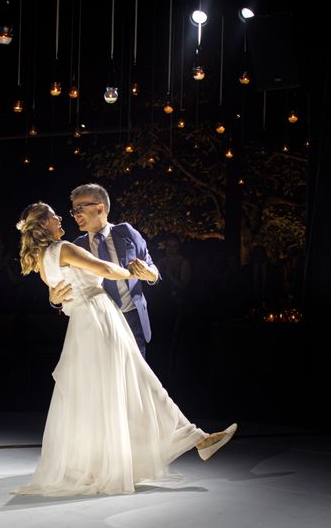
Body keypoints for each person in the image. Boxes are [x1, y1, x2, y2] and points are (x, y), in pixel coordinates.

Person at [13, 202, 237, 496]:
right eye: (54, 215)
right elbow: (104, 269)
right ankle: (194, 440)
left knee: (103, 392)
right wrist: (137, 273)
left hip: (83, 326)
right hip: (99, 320)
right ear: (44, 225)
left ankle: (106, 463)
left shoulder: (43, 260)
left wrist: (55, 299)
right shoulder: (65, 248)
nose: (60, 217)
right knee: (135, 382)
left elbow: (59, 296)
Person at [48, 184, 158, 358]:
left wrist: (151, 274)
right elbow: (65, 288)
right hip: (97, 323)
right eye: (73, 211)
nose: (75, 215)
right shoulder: (76, 247)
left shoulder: (127, 232)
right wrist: (55, 300)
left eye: (80, 208)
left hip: (132, 320)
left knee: (136, 382)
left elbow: (152, 267)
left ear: (100, 208)